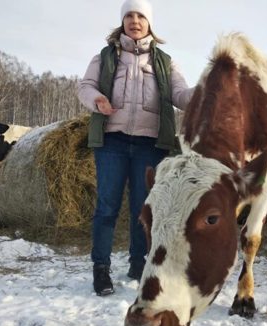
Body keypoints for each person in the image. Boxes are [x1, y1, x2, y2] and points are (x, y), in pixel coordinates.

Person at [77, 0, 194, 296]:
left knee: (143, 209)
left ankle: (138, 264)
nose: (134, 20)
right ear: (122, 21)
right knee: (107, 207)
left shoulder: (165, 62)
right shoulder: (104, 56)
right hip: (112, 141)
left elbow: (180, 95)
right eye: (129, 15)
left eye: (140, 15)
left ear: (149, 22)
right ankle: (100, 269)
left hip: (149, 144)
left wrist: (207, 91)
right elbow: (85, 86)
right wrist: (96, 100)